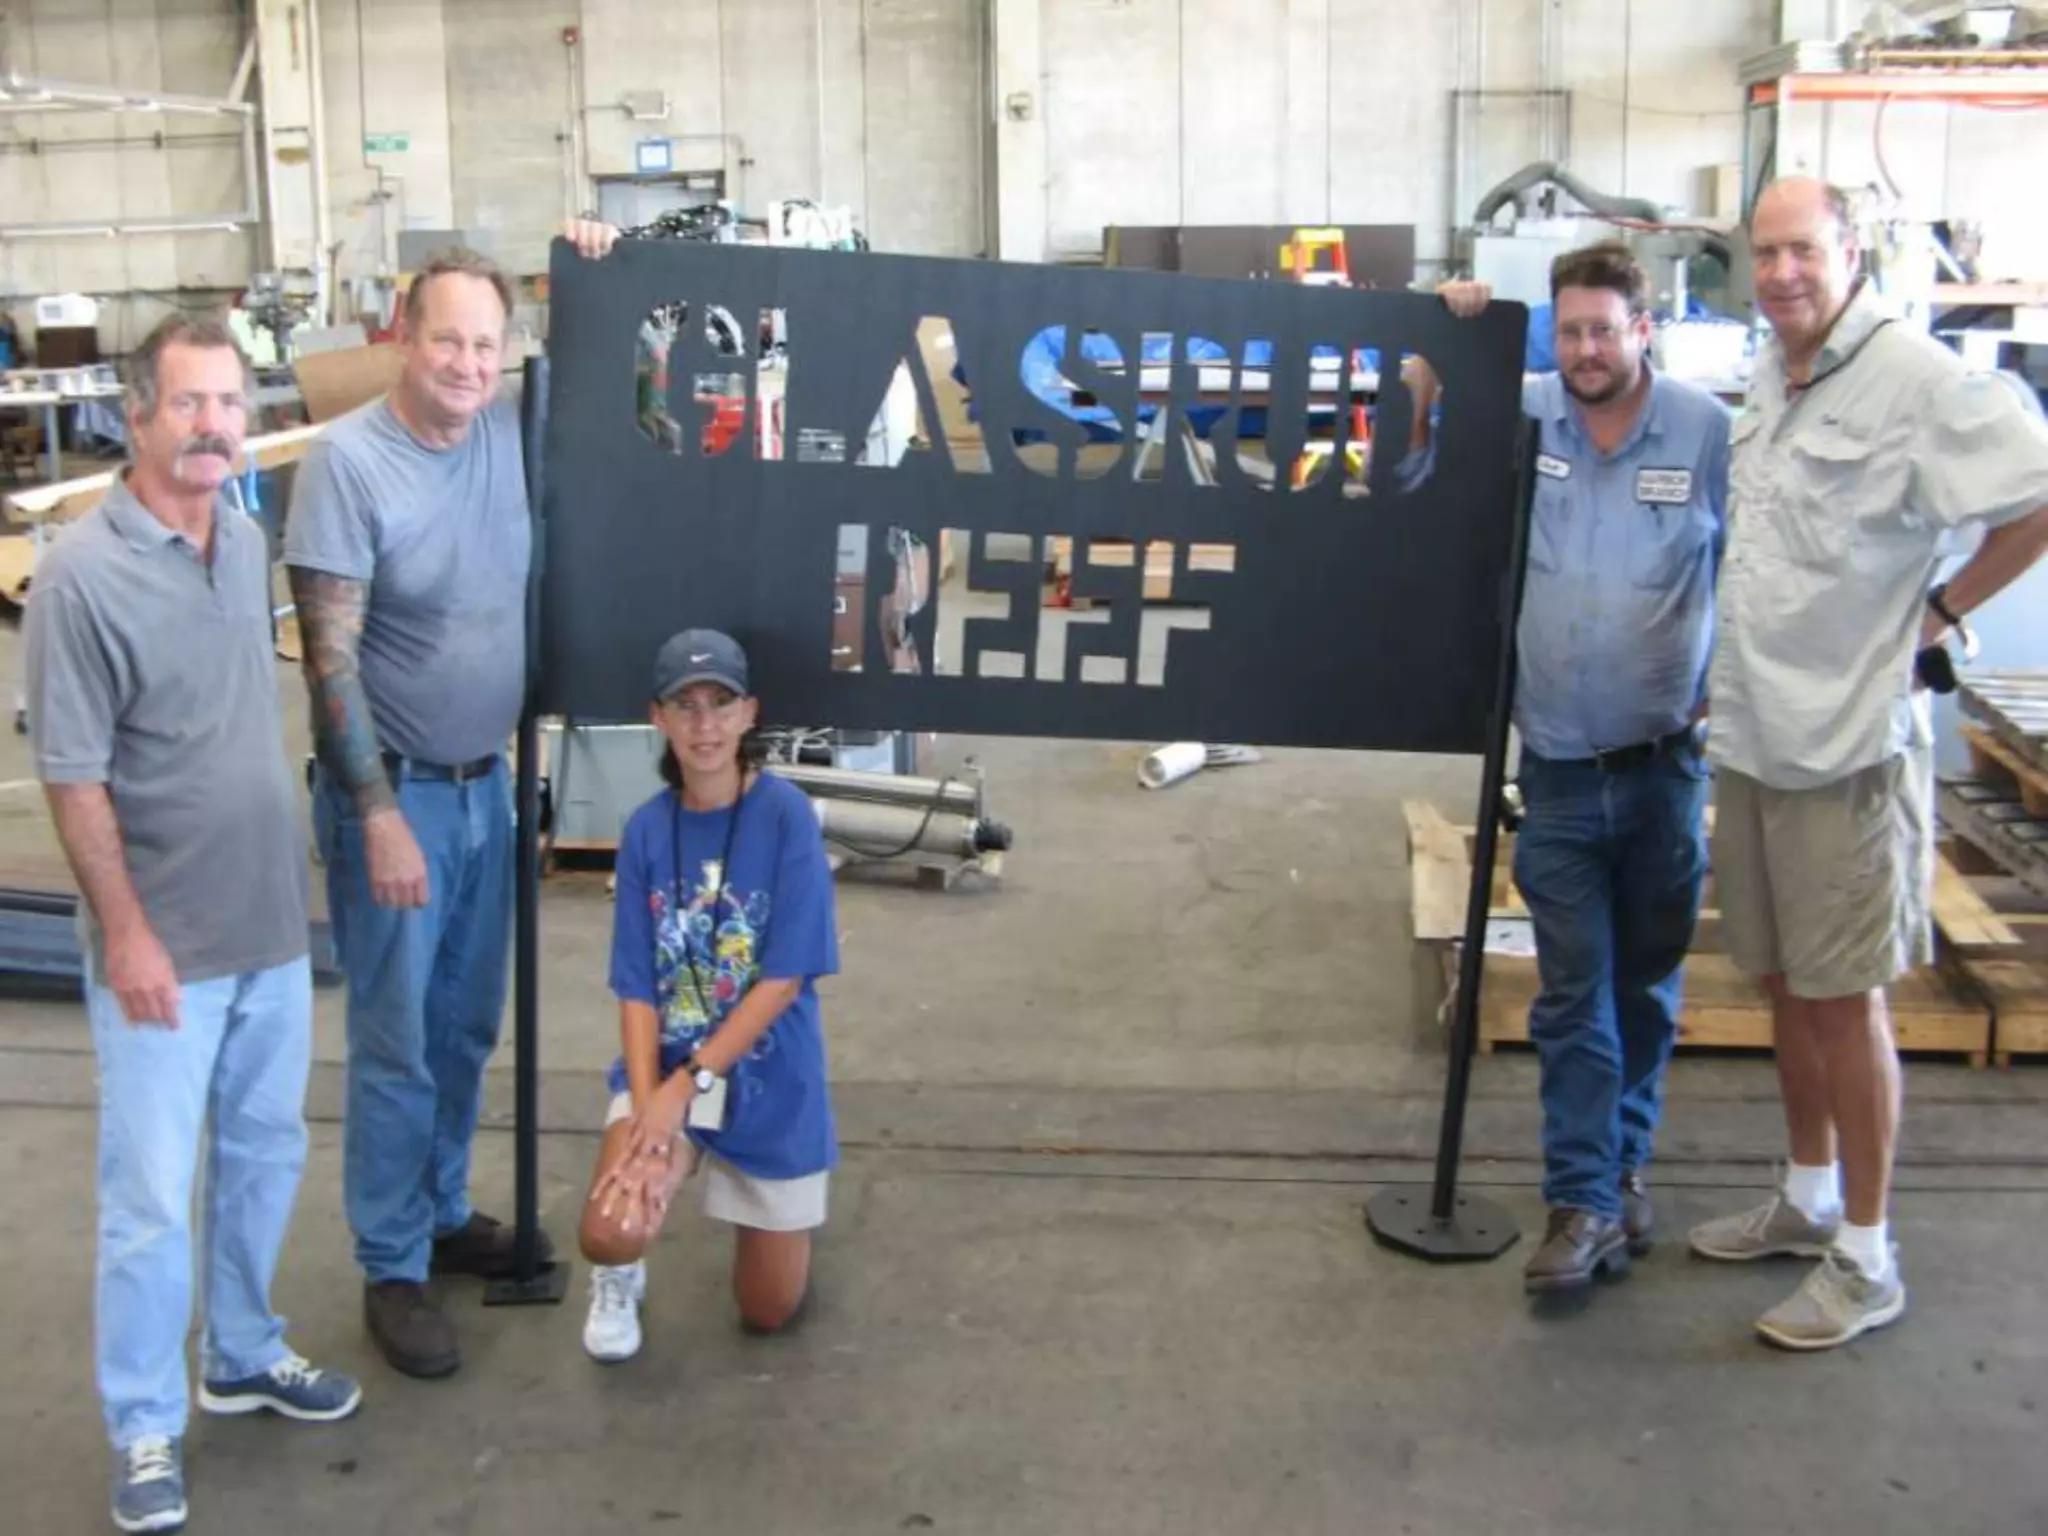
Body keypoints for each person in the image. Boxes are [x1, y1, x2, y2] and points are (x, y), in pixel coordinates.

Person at [1686, 177, 2048, 1349]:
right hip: (1757, 733)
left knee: (1844, 1001)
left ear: (1848, 250)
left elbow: (2035, 495)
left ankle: (1866, 1254)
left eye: (1801, 249)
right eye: (1763, 253)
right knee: (1783, 985)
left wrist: (1938, 612)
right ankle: (1806, 1197)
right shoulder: (1772, 370)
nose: (1780, 273)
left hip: (1843, 746)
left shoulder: (1916, 380)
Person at [26, 315, 361, 1536]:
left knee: (265, 1154)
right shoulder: (79, 578)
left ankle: (240, 1348)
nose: (216, 425)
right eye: (190, 404)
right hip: (161, 949)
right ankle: (142, 1421)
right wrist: (126, 934)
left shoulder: (244, 540)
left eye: (231, 404)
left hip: (267, 925)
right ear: (136, 417)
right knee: (151, 1199)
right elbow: (73, 776)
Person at [284, 225, 614, 1378]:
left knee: (466, 1026)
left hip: (489, 791)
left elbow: (623, 370)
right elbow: (330, 663)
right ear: (400, 339)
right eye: (446, 342)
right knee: (395, 1043)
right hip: (400, 798)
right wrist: (375, 815)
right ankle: (390, 1264)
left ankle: (435, 1211)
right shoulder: (348, 467)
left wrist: (598, 263)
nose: (468, 364)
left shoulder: (511, 427)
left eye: (486, 344)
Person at [1438, 243, 1731, 1294]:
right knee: (1574, 998)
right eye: (1569, 331)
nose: (1585, 350)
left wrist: (1722, 682)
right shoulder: (1526, 411)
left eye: (1603, 329)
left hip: (1663, 771)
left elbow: (1749, 563)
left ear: (1640, 330)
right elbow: (1418, 426)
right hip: (1557, 768)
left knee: (1643, 989)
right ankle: (1583, 1202)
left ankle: (1623, 1165)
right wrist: (1445, 331)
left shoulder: (1704, 430)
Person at [577, 629, 841, 1362]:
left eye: (720, 704)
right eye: (685, 706)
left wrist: (684, 1088)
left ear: (749, 713)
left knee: (767, 1311)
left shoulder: (786, 817)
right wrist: (646, 1108)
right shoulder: (645, 830)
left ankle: (784, 1226)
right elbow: (636, 988)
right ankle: (620, 1276)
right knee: (609, 1231)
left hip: (768, 1077)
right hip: (666, 1068)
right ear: (657, 718)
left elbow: (784, 980)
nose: (705, 725)